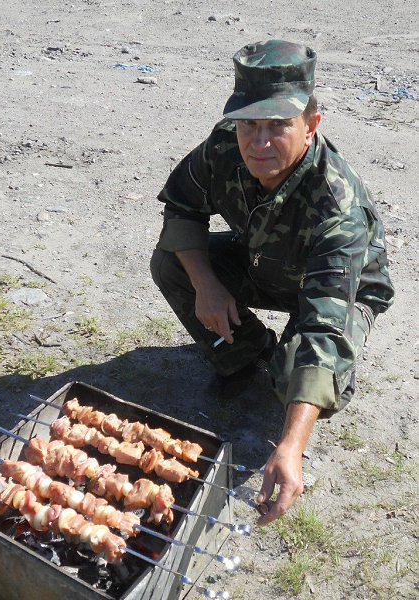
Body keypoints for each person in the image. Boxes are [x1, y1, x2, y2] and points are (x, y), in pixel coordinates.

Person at [150, 40, 394, 525]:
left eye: (278, 125)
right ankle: (245, 353)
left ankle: (288, 368)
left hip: (338, 289)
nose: (259, 142)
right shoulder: (225, 144)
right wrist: (207, 284)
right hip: (265, 259)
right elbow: (182, 206)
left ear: (311, 124)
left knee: (299, 380)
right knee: (173, 262)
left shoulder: (338, 208)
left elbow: (325, 324)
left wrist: (291, 446)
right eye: (249, 124)